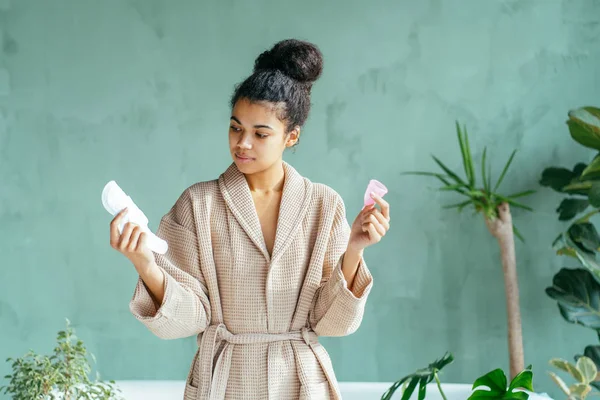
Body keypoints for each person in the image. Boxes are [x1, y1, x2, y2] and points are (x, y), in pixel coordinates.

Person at [109, 39, 390, 400]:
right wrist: (145, 263)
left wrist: (354, 249)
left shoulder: (324, 204)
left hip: (301, 381)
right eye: (235, 128)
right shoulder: (199, 204)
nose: (243, 143)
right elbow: (188, 319)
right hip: (225, 382)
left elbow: (332, 322)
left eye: (260, 134)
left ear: (292, 136)